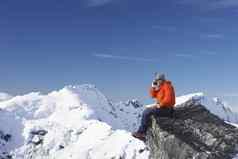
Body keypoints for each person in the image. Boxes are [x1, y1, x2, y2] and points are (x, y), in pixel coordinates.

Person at [132, 73, 175, 140]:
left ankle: (141, 133)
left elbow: (168, 99)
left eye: (158, 80)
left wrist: (160, 105)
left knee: (146, 112)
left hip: (167, 109)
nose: (157, 81)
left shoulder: (167, 86)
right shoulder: (160, 87)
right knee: (148, 111)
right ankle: (143, 132)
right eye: (156, 80)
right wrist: (153, 87)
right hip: (162, 107)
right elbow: (152, 96)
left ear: (162, 79)